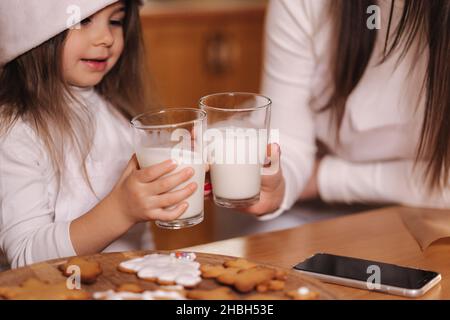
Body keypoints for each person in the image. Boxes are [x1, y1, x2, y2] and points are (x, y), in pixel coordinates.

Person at [0, 0, 198, 269]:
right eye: (82, 20)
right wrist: (121, 210)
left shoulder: (118, 117)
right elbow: (25, 258)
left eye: (115, 21)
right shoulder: (14, 131)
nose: (106, 38)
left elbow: (140, 239)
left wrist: (173, 186)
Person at [239, 0, 450, 220]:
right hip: (310, 207)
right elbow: (287, 145)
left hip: (430, 213)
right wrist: (280, 186)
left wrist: (323, 178)